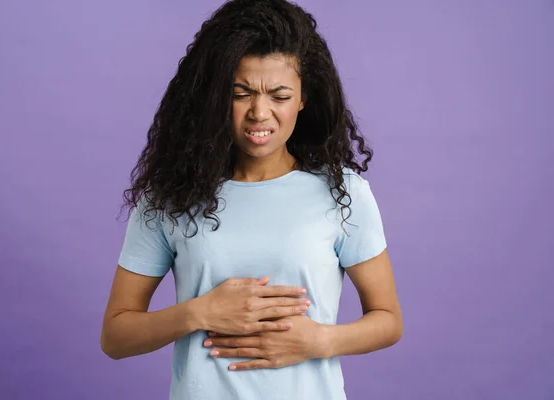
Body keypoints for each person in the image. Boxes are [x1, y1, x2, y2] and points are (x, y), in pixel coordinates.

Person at [100, 0, 403, 398]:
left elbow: (388, 319)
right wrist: (199, 312)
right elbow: (116, 336)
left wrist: (318, 341)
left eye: (279, 95)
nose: (260, 112)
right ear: (215, 96)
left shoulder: (343, 193)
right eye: (241, 93)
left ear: (303, 98)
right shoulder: (171, 195)